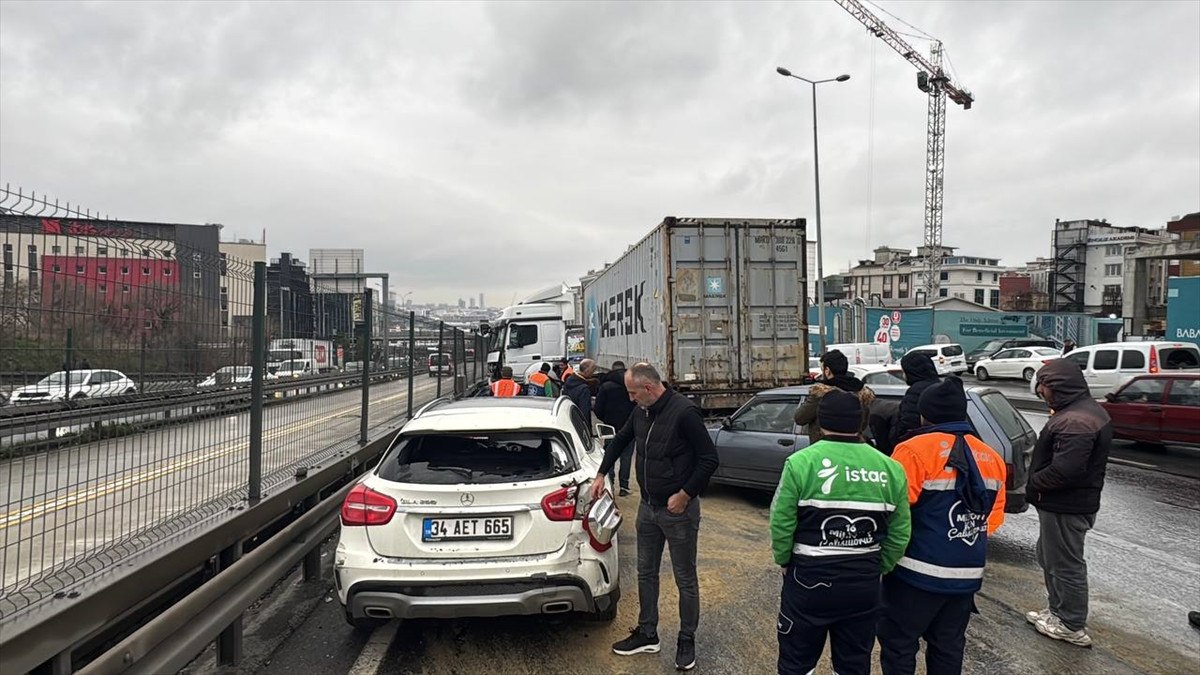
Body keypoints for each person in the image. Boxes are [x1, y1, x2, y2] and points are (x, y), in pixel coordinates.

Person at [771, 390, 911, 675]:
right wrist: (879, 566)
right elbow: (900, 531)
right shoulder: (891, 468)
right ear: (860, 422)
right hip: (863, 583)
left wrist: (785, 560)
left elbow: (781, 522)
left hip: (809, 580)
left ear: (821, 422)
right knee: (853, 664)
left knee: (796, 663)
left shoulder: (801, 463)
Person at [591, 363, 719, 671]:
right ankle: (648, 633)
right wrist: (600, 473)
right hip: (648, 509)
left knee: (684, 578)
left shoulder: (684, 413)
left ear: (649, 388)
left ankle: (686, 639)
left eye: (633, 393)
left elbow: (709, 459)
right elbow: (621, 439)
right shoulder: (641, 411)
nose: (631, 399)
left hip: (678, 511)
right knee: (646, 573)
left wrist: (685, 494)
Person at [877, 376, 1007, 675]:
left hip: (914, 574)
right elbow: (994, 518)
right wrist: (961, 538)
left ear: (925, 414)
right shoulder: (992, 457)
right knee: (948, 646)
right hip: (966, 575)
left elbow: (892, 511)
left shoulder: (912, 450)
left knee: (899, 645)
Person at [1025, 358, 1113, 648]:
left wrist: (1034, 482)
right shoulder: (1076, 411)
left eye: (1044, 385)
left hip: (1067, 505)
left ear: (1059, 386)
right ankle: (1058, 611)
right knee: (1049, 557)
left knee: (1065, 565)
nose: (1040, 390)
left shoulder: (1077, 420)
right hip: (1062, 503)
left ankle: (1071, 623)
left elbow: (1066, 470)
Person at [793, 350, 875, 444]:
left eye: (822, 369)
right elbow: (863, 425)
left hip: (824, 448)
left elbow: (799, 418)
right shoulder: (861, 393)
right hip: (852, 447)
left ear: (827, 371)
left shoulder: (821, 394)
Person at [595, 360, 636, 496]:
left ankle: (610, 483)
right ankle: (624, 487)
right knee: (626, 457)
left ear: (611, 370)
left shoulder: (606, 386)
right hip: (629, 427)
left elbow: (598, 409)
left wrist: (606, 419)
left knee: (610, 454)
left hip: (610, 427)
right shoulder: (631, 385)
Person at [890, 352, 941, 447]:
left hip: (919, 447)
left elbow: (908, 425)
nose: (903, 376)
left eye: (903, 372)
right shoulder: (941, 387)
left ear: (910, 372)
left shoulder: (915, 391)